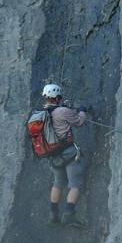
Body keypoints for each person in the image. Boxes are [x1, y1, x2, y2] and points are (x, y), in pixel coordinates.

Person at [41, 83, 88, 227]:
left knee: (58, 183)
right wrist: (82, 111)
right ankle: (68, 214)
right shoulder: (62, 111)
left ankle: (53, 214)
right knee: (75, 184)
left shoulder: (40, 114)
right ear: (57, 97)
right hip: (68, 153)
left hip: (53, 155)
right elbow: (79, 122)